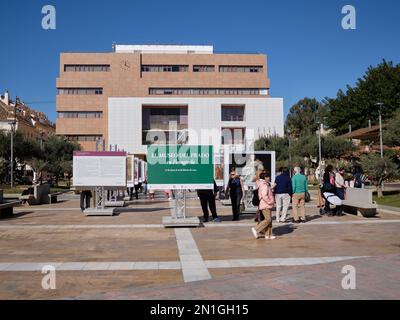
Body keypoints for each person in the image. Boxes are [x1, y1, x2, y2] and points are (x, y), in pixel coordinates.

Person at [251, 172, 276, 240]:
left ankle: (268, 235)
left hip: (267, 204)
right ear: (265, 178)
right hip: (265, 204)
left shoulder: (265, 184)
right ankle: (256, 229)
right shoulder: (264, 185)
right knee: (268, 219)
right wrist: (270, 201)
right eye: (268, 177)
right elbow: (264, 195)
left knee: (270, 220)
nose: (269, 178)